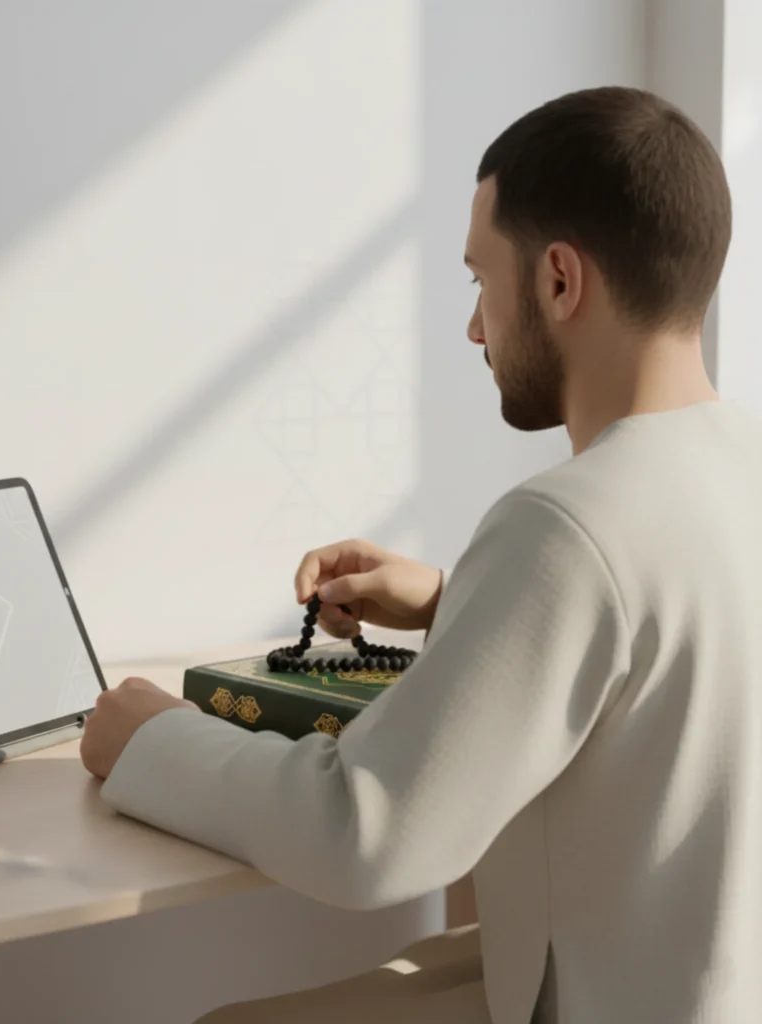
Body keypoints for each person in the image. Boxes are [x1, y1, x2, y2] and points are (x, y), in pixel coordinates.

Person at [79, 85, 762, 1023]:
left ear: (561, 282)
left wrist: (147, 739)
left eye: (482, 279)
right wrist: (457, 601)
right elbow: (676, 641)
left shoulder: (566, 524)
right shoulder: (735, 471)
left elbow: (365, 833)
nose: (477, 328)